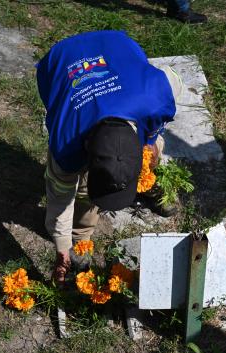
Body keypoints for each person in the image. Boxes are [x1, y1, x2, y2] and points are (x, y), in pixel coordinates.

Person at [35, 30, 183, 283]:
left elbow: (172, 83)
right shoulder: (65, 145)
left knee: (153, 150)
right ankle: (81, 235)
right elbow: (60, 201)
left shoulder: (158, 94)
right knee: (79, 191)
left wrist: (151, 143)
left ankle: (147, 179)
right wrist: (62, 249)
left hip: (117, 45)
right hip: (61, 60)